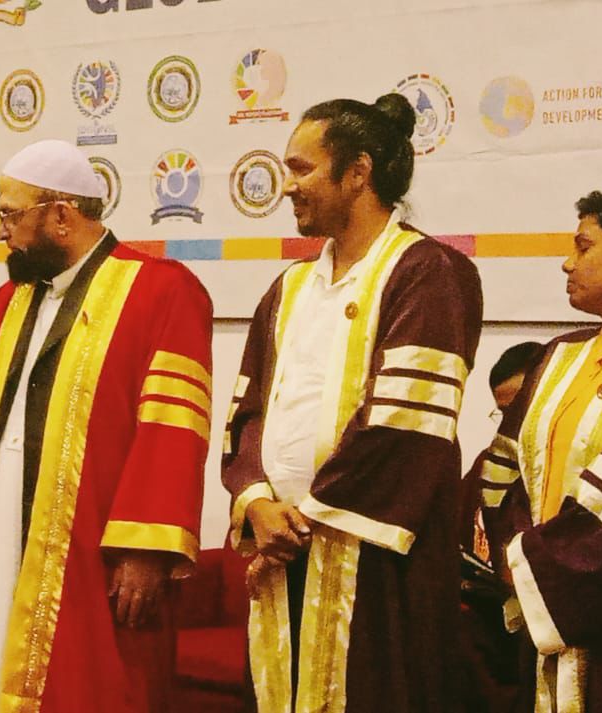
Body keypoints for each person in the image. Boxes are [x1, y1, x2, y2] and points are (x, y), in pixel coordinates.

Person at [221, 94, 483, 712]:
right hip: (284, 548)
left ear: (358, 172)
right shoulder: (289, 287)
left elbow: (403, 423)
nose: (288, 186)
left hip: (373, 563)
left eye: (302, 168)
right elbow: (249, 410)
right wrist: (256, 501)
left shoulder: (428, 271)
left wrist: (303, 518)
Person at [0, 139, 212, 713]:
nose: (1, 230)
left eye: (11, 215)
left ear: (61, 215)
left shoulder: (161, 290)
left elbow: (173, 428)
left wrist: (147, 547)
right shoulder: (9, 301)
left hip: (100, 544)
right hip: (5, 528)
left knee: (95, 684)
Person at [481, 187, 602, 711]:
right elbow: (504, 469)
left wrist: (541, 566)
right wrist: (515, 559)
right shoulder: (558, 356)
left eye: (583, 246)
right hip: (544, 606)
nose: (566, 263)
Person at [457, 341, 546, 713]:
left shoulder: (567, 463)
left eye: (519, 411)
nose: (511, 426)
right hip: (488, 622)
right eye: (503, 414)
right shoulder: (487, 465)